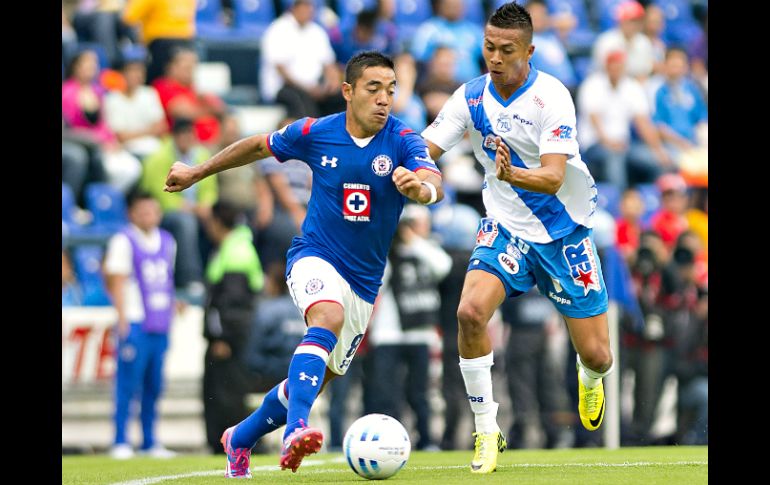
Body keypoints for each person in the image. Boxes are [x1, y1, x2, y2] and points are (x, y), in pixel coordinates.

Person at [164, 51, 444, 477]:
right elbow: (258, 145)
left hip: (364, 282)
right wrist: (198, 172)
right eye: (373, 88)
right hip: (315, 255)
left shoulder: (403, 138)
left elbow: (432, 178)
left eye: (391, 90)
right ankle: (296, 429)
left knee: (315, 379)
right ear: (347, 91)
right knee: (326, 318)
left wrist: (421, 190)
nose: (384, 99)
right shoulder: (316, 131)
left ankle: (240, 436)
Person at [421, 2, 613, 473]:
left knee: (599, 355)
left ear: (529, 51)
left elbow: (552, 177)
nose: (495, 57)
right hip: (506, 227)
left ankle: (589, 376)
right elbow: (425, 148)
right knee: (469, 313)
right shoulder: (469, 98)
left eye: (507, 49)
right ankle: (487, 430)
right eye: (489, 47)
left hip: (563, 232)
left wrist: (512, 174)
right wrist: (410, 170)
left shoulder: (551, 97)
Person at [103, 191, 178, 459]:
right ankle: (120, 440)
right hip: (135, 322)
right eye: (143, 211)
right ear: (132, 214)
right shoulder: (122, 240)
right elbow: (116, 280)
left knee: (154, 385)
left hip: (160, 322)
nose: (148, 216)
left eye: (152, 211)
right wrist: (122, 319)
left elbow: (167, 280)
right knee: (127, 384)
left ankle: (149, 440)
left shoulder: (167, 240)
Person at [202, 201, 265, 454]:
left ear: (218, 222)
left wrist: (223, 338)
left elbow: (232, 302)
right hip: (235, 336)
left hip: (229, 340)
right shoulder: (235, 246)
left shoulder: (235, 251)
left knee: (226, 394)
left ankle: (233, 444)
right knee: (227, 391)